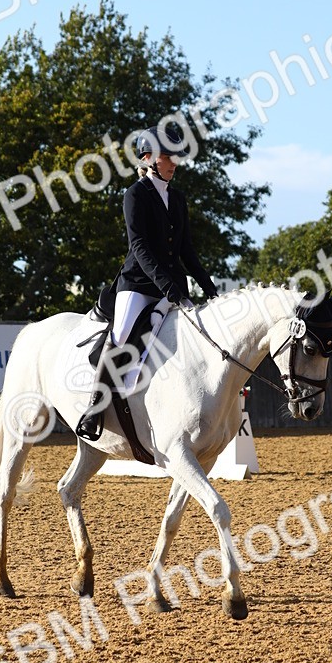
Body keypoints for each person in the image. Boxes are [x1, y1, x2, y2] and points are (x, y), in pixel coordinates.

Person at [75, 122, 219, 440]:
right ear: (149, 157)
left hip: (171, 286)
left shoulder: (177, 199)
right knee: (122, 333)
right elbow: (138, 247)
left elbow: (186, 250)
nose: (175, 163)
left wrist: (208, 286)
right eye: (169, 157)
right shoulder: (135, 195)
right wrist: (166, 284)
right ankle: (94, 409)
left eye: (177, 157)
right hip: (138, 284)